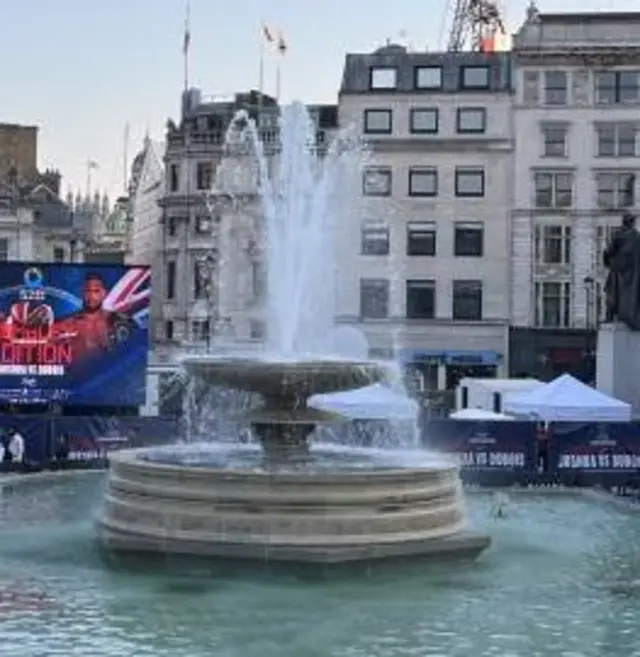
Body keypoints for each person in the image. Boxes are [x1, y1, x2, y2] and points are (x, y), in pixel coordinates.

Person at [56, 274, 132, 356]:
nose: (91, 296)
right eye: (88, 291)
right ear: (82, 293)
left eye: (96, 291)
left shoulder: (121, 321)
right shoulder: (67, 323)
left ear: (104, 293)